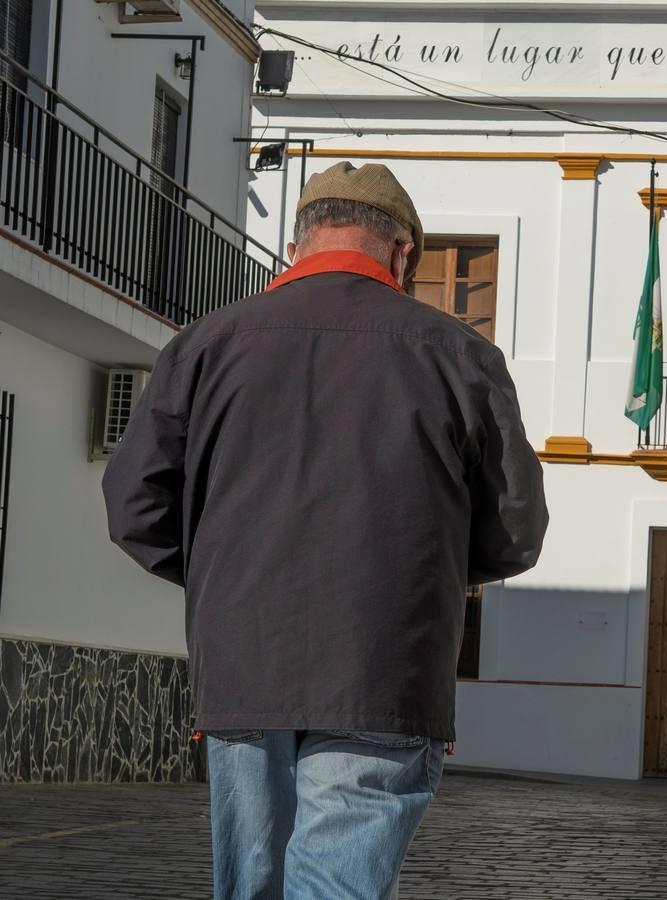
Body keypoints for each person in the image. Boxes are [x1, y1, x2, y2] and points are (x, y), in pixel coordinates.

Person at [102, 161, 548, 898]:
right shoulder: (460, 355)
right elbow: (516, 527)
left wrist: (224, 573)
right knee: (338, 878)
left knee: (252, 882)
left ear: (298, 242)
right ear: (402, 251)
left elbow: (134, 506)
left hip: (244, 655)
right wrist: (425, 574)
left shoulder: (206, 345)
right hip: (386, 662)